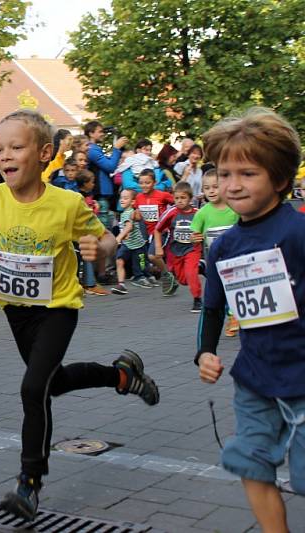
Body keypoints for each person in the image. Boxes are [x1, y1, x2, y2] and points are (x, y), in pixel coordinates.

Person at [0, 110, 159, 521]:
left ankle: (29, 483)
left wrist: (99, 250)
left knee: (33, 389)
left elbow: (103, 238)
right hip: (16, 311)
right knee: (52, 382)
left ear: (44, 152)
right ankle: (121, 375)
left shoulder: (66, 204)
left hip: (58, 307)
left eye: (17, 147)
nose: (5, 157)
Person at [196, 108, 305, 532]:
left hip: (302, 377)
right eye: (224, 173)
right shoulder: (224, 247)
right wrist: (204, 351)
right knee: (250, 461)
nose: (233, 185)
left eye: (248, 173)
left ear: (279, 179)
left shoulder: (298, 233)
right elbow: (213, 307)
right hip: (256, 378)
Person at [190, 169, 240, 336]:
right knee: (223, 291)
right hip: (215, 260)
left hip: (236, 258)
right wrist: (194, 237)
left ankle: (234, 317)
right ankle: (231, 316)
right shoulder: (203, 213)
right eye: (206, 188)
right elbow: (194, 234)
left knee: (234, 287)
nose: (210, 191)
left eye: (215, 187)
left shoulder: (234, 209)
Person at [155, 181, 202, 312]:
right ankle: (200, 267)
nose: (179, 201)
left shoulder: (198, 213)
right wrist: (158, 247)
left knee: (191, 273)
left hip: (192, 249)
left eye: (183, 198)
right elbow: (158, 229)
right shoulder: (171, 213)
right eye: (176, 198)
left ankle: (197, 300)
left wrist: (201, 237)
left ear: (190, 198)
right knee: (183, 279)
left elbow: (206, 228)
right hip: (175, 250)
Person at [134, 168, 175, 290]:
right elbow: (137, 213)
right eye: (141, 183)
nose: (144, 185)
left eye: (147, 182)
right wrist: (135, 216)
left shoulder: (162, 195)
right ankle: (167, 276)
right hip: (147, 233)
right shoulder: (138, 197)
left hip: (162, 231)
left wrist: (173, 217)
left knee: (152, 256)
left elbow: (177, 203)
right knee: (148, 257)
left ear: (154, 182)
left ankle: (167, 275)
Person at [111, 189, 153, 294]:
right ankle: (121, 284)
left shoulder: (129, 213)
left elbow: (128, 227)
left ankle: (146, 276)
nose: (122, 200)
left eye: (125, 198)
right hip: (128, 245)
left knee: (142, 265)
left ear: (133, 202)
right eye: (121, 198)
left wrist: (119, 237)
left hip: (138, 245)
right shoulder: (126, 213)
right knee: (119, 260)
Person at [76, 170, 108, 296]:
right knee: (85, 256)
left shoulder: (87, 195)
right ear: (85, 184)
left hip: (85, 231)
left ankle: (88, 283)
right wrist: (95, 209)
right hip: (82, 232)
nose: (94, 184)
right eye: (92, 182)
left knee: (86, 257)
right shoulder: (80, 197)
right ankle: (89, 284)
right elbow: (85, 215)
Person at [85, 120, 129, 212]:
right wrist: (116, 148)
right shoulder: (92, 150)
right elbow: (110, 167)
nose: (103, 134)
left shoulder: (95, 149)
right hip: (100, 194)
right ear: (91, 134)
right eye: (100, 131)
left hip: (102, 193)